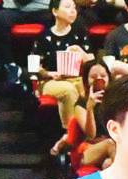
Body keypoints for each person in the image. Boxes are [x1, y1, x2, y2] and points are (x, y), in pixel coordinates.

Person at [32, 0, 96, 130]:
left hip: (77, 79)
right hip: (50, 81)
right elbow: (33, 66)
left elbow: (92, 61)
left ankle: (91, 132)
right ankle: (71, 135)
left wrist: (81, 52)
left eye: (74, 7)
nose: (73, 11)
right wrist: (49, 74)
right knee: (68, 90)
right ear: (55, 11)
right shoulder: (43, 36)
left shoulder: (80, 33)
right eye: (67, 7)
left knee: (87, 90)